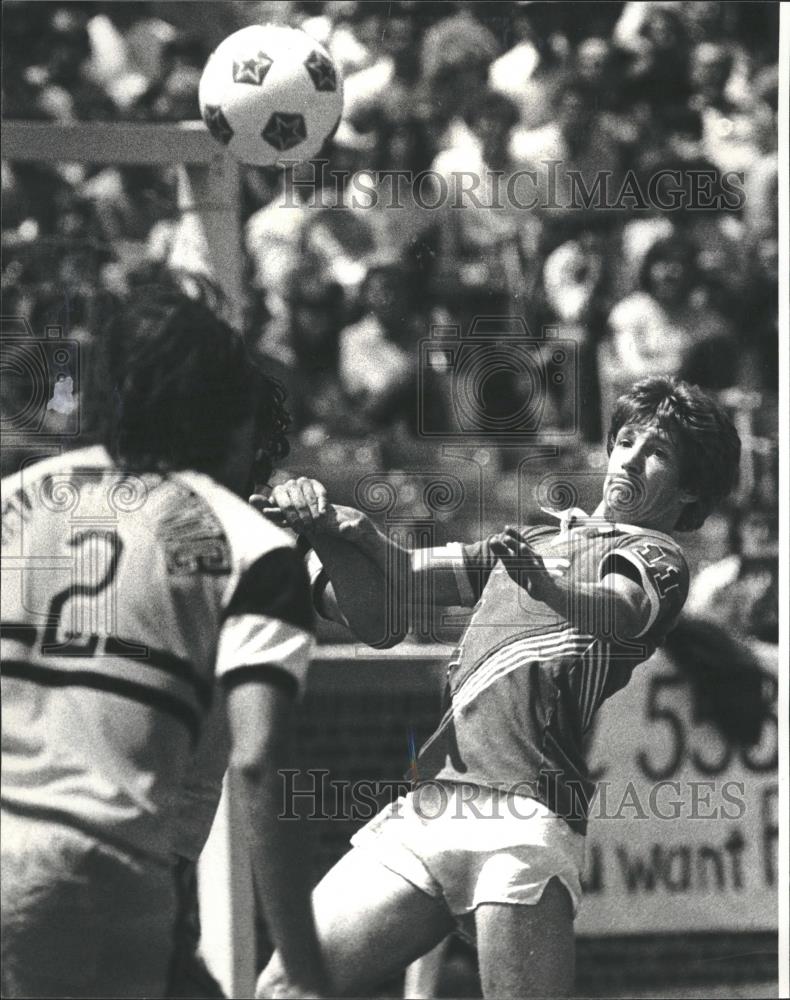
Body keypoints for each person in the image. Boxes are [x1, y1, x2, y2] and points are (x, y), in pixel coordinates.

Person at [256, 376, 740, 999]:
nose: (632, 459)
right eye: (626, 441)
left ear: (691, 489)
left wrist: (553, 590)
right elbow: (400, 582)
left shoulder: (657, 557)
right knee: (284, 988)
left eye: (659, 453)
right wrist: (345, 532)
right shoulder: (534, 543)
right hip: (434, 803)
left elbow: (616, 607)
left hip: (528, 815)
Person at [1, 290, 327, 998]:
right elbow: (260, 761)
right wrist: (305, 972)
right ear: (228, 416)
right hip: (102, 870)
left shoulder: (20, 495)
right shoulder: (251, 546)